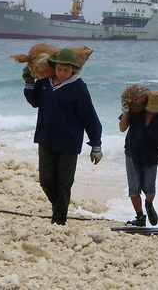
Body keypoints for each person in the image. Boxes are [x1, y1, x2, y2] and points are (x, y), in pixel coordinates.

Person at [23, 48, 103, 225]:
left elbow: (89, 117)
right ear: (54, 67)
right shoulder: (44, 83)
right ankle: (59, 207)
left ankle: (59, 220)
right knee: (46, 180)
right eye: (59, 69)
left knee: (64, 181)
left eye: (66, 70)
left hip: (69, 142)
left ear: (73, 69)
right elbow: (34, 101)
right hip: (46, 138)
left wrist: (96, 145)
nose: (62, 73)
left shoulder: (79, 87)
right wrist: (29, 82)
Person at [120, 90, 158, 227]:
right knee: (134, 188)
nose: (155, 111)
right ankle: (139, 217)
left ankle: (149, 204)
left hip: (152, 157)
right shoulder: (136, 111)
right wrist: (126, 114)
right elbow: (122, 128)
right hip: (132, 154)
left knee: (150, 189)